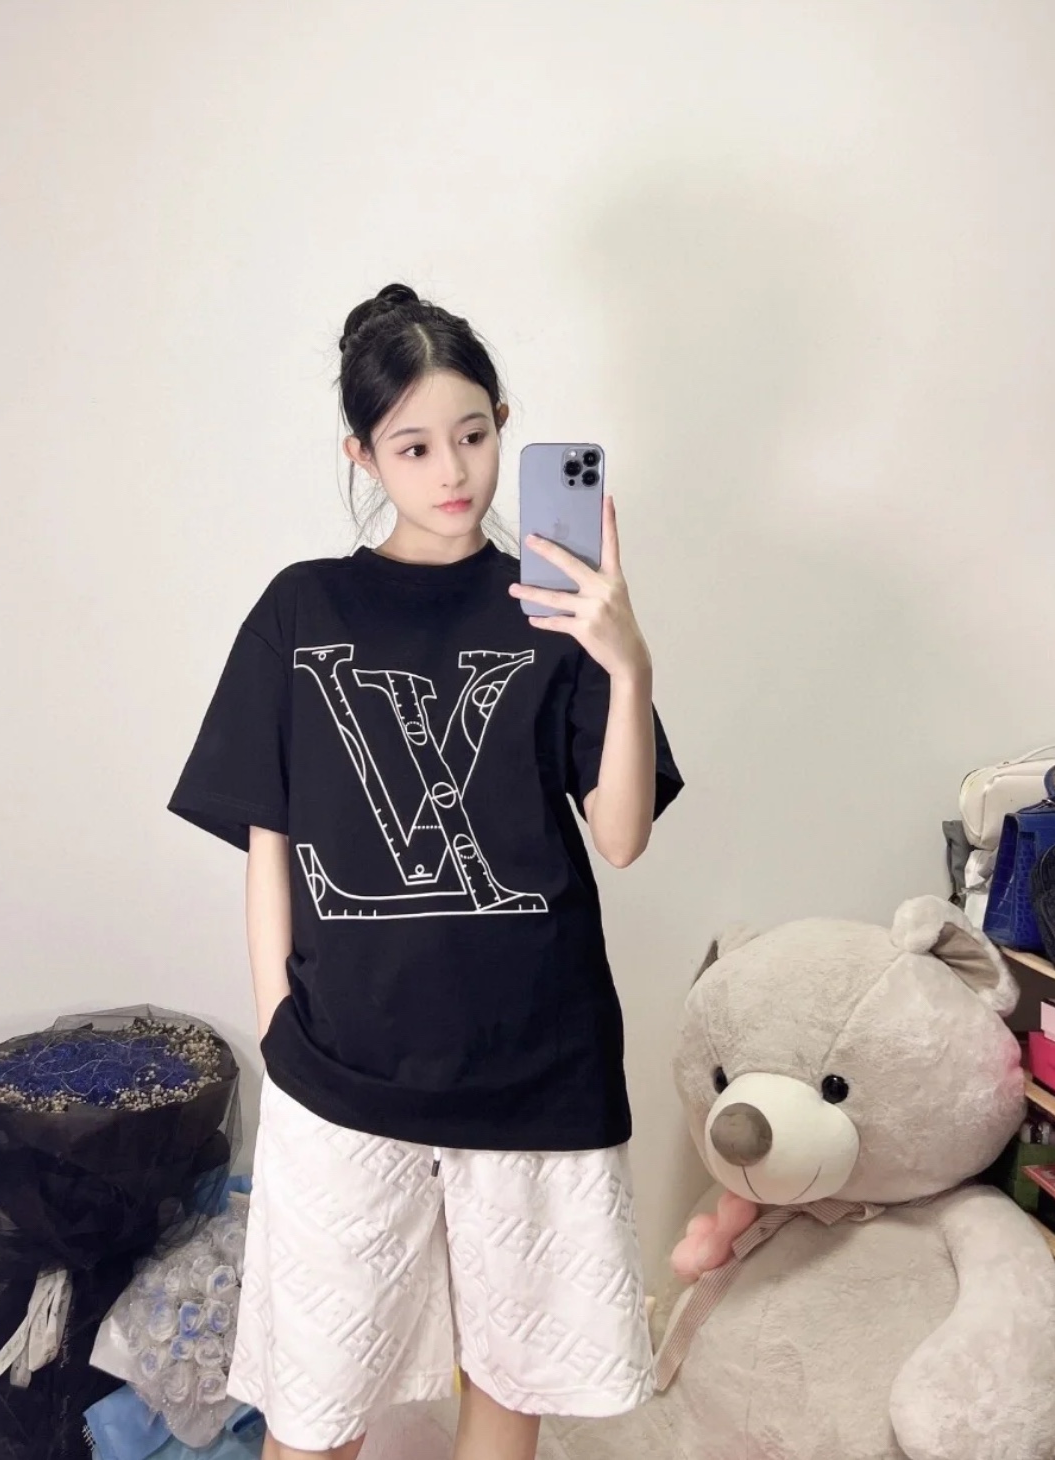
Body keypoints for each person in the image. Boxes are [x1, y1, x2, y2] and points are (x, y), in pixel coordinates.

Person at [168, 283, 683, 1460]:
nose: (453, 471)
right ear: (363, 453)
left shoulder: (558, 607)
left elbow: (620, 834)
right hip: (342, 1062)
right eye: (413, 446)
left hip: (535, 1059)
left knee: (511, 1372)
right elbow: (268, 838)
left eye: (473, 434)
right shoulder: (301, 608)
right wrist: (276, 1020)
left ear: (504, 423)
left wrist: (627, 658)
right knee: (317, 1399)